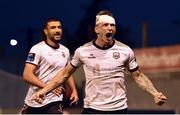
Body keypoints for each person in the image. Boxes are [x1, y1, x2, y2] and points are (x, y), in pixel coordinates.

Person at [32, 10, 167, 114]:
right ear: (97, 29)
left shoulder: (125, 51)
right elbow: (64, 75)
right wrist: (44, 91)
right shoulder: (82, 51)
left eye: (112, 25)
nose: (110, 28)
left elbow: (138, 76)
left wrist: (155, 93)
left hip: (118, 109)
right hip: (92, 109)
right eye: (106, 25)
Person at [20, 18, 79, 114]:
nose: (57, 30)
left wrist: (74, 91)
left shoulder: (65, 51)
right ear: (46, 31)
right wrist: (50, 88)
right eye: (53, 28)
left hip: (55, 101)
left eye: (59, 27)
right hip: (34, 101)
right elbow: (27, 75)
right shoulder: (37, 49)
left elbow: (67, 72)